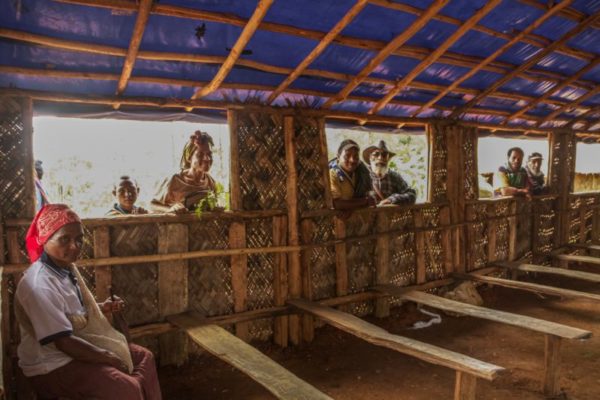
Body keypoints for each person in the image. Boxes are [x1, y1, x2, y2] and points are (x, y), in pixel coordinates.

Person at [15, 204, 161, 399]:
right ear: (45, 238)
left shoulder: (65, 268)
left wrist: (101, 308)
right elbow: (63, 342)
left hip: (77, 345)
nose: (75, 247)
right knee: (125, 387)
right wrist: (108, 357)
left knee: (144, 357)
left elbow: (71, 315)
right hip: (52, 365)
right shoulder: (39, 284)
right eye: (64, 239)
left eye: (79, 239)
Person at [151, 130, 217, 214]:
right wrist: (170, 209)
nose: (207, 158)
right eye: (200, 154)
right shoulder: (175, 180)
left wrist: (216, 209)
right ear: (189, 158)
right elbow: (152, 205)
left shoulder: (210, 182)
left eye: (209, 154)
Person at [363, 140, 416, 206]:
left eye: (384, 155)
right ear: (370, 157)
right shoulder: (363, 176)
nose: (380, 158)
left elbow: (411, 195)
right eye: (376, 154)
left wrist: (391, 199)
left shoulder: (394, 177)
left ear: (388, 158)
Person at [329, 139, 375, 210]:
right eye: (347, 155)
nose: (352, 160)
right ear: (338, 156)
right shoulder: (332, 174)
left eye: (356, 156)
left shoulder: (361, 173)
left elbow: (369, 194)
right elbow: (336, 204)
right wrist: (365, 201)